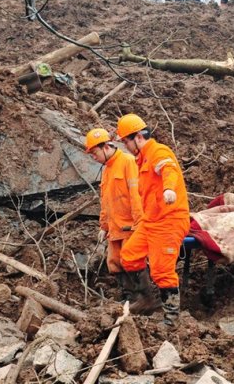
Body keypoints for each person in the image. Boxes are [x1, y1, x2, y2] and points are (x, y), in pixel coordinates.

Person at [117, 114, 190, 326]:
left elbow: (169, 169)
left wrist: (169, 189)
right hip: (151, 221)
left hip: (169, 221)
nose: (125, 147)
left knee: (162, 270)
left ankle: (171, 318)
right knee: (129, 256)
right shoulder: (142, 160)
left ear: (138, 137)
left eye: (126, 142)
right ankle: (148, 300)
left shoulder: (158, 152)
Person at [84, 129, 143, 301]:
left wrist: (140, 223)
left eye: (95, 153)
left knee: (132, 261)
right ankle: (128, 297)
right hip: (115, 227)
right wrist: (104, 226)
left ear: (106, 147)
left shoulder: (128, 162)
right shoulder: (107, 170)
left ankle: (143, 299)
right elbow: (106, 201)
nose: (94, 158)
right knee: (115, 263)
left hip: (130, 225)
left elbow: (136, 196)